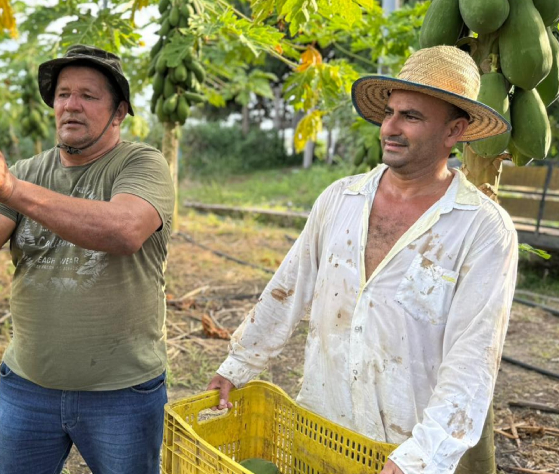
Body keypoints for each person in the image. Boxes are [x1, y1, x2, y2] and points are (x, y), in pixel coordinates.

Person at [207, 46, 518, 474]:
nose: (389, 127)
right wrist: (238, 365)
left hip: (401, 450)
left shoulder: (482, 229)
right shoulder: (341, 199)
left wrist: (420, 457)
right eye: (389, 112)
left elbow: (472, 359)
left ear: (454, 131)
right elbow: (288, 287)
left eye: (410, 116)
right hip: (319, 426)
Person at [0, 45, 175, 474]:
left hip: (122, 392)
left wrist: (9, 189)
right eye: (63, 94)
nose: (71, 105)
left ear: (118, 113)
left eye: (88, 95)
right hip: (27, 388)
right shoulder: (27, 172)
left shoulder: (142, 164)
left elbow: (124, 229)